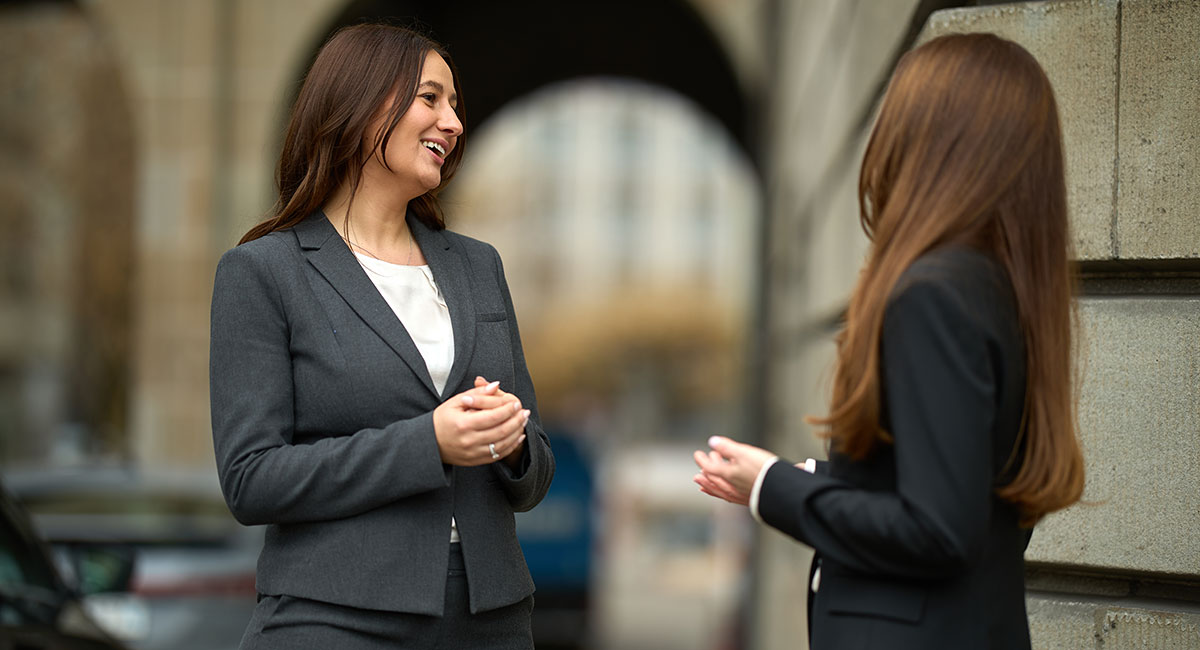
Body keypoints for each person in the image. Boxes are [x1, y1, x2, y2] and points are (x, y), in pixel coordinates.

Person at [693, 33, 1085, 649]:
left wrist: (774, 486)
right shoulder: (1002, 291)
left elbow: (939, 530)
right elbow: (962, 490)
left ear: (931, 144)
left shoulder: (933, 293)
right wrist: (817, 479)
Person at [209, 23, 554, 649]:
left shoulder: (479, 267)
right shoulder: (263, 273)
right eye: (431, 98)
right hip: (335, 616)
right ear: (362, 106)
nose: (452, 122)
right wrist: (429, 442)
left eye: (455, 105)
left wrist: (512, 444)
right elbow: (251, 479)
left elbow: (535, 471)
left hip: (490, 617)